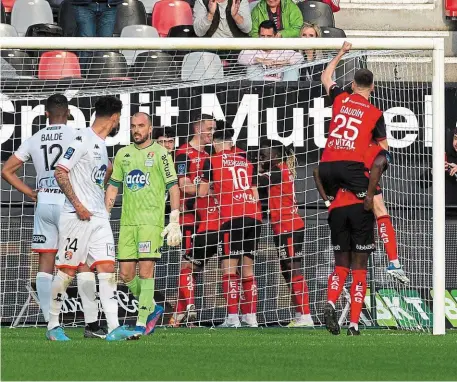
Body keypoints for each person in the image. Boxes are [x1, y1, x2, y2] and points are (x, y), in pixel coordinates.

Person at [1, 94, 107, 339]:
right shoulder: (80, 135)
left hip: (44, 203)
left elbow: (6, 170)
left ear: (46, 114)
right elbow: (105, 166)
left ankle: (52, 326)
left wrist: (30, 193)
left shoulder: (34, 138)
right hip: (69, 203)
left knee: (46, 263)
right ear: (68, 113)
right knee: (81, 263)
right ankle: (92, 325)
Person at [47, 96, 142, 341]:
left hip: (99, 216)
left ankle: (113, 328)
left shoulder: (100, 144)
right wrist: (78, 204)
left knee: (107, 268)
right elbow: (60, 171)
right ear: (113, 118)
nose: (119, 122)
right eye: (119, 118)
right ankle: (53, 326)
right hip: (77, 217)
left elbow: (101, 173)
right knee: (67, 272)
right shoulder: (82, 139)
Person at [105, 113, 181, 335]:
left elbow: (173, 187)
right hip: (128, 223)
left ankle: (141, 322)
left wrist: (174, 218)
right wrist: (105, 214)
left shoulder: (161, 154)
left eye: (141, 126)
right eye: (133, 126)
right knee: (126, 274)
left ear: (149, 129)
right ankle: (153, 307)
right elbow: (113, 186)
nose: (136, 130)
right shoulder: (123, 154)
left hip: (151, 223)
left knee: (146, 271)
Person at [313, 150, 388, 335]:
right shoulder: (363, 153)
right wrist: (370, 196)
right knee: (360, 269)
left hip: (337, 210)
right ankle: (354, 324)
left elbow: (316, 171)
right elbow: (378, 164)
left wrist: (326, 201)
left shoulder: (334, 155)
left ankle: (330, 302)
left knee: (340, 266)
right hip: (359, 208)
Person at [199, 120, 262, 328]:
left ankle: (233, 317)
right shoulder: (245, 157)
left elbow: (201, 192)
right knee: (248, 268)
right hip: (253, 216)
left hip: (231, 217)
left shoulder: (212, 160)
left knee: (228, 269)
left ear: (216, 142)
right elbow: (254, 192)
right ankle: (251, 317)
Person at [318, 41, 388, 204]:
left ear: (353, 85)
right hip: (351, 166)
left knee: (337, 207)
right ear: (373, 87)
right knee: (375, 202)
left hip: (327, 166)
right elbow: (384, 149)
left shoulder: (340, 98)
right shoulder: (374, 113)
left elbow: (325, 76)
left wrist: (342, 51)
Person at [171, 114, 220, 326]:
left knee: (195, 268)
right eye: (209, 128)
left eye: (214, 129)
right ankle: (190, 309)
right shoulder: (183, 154)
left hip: (208, 217)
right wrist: (208, 187)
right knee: (188, 267)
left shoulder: (209, 154)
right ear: (197, 128)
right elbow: (183, 185)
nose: (212, 133)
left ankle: (178, 316)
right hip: (189, 218)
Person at [257, 139, 313, 327]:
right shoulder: (278, 170)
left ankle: (306, 315)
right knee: (286, 270)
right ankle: (300, 313)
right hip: (281, 227)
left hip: (290, 226)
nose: (260, 158)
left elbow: (256, 181)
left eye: (263, 155)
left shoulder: (277, 170)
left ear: (276, 156)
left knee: (293, 268)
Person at [363, 142, 409, 283]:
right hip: (363, 176)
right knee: (381, 212)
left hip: (344, 179)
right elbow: (383, 150)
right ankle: (394, 262)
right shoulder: (374, 146)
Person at [238, 20, 304, 81]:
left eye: (269, 36)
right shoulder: (254, 49)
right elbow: (241, 58)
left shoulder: (281, 49)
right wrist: (259, 60)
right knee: (252, 67)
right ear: (258, 35)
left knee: (292, 69)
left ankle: (289, 92)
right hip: (259, 86)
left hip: (280, 87)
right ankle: (255, 92)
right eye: (263, 36)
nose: (265, 39)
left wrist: (283, 62)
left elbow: (300, 57)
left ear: (275, 36)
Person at [70, 0, 121, 66]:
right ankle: (84, 75)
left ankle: (101, 74)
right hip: (83, 5)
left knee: (105, 46)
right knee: (86, 45)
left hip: (109, 6)